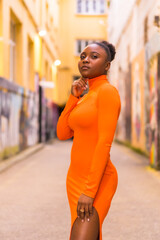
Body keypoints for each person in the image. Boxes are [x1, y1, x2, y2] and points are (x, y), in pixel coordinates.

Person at [57, 41, 121, 240]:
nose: (86, 60)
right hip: (75, 179)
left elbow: (104, 143)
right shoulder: (85, 96)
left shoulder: (107, 92)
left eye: (94, 57)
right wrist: (72, 98)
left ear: (107, 65)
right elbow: (62, 133)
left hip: (97, 181)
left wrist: (90, 192)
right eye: (83, 55)